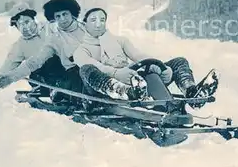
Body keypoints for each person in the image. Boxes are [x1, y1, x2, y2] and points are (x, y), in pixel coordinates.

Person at [73, 7, 216, 107]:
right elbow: (98, 67)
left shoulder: (120, 40)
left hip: (132, 80)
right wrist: (117, 73)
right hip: (101, 89)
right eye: (93, 20)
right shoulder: (81, 50)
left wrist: (159, 66)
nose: (98, 24)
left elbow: (137, 55)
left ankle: (191, 92)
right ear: (85, 24)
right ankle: (123, 92)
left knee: (179, 61)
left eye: (102, 19)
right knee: (86, 69)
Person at [0, 0, 87, 100]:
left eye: (65, 14)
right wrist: (11, 77)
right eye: (58, 16)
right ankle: (61, 92)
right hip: (68, 73)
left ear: (72, 14)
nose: (62, 19)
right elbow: (35, 61)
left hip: (92, 68)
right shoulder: (54, 37)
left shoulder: (87, 29)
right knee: (53, 64)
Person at [0, 2, 64, 98]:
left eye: (27, 22)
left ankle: (65, 90)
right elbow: (4, 71)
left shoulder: (50, 28)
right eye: (20, 24)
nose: (25, 27)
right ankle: (49, 90)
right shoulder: (20, 46)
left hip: (67, 70)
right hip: (45, 76)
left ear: (33, 19)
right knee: (35, 71)